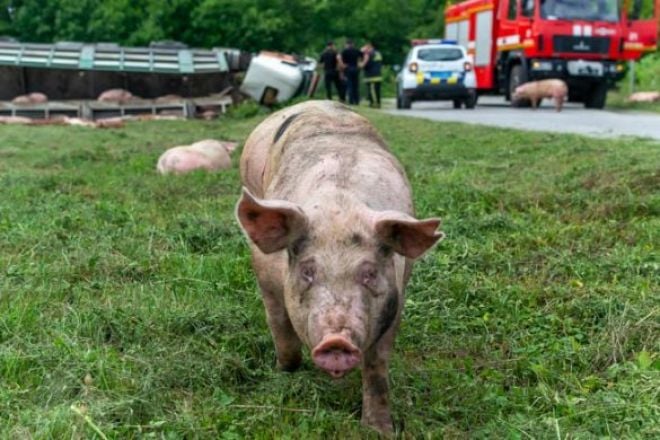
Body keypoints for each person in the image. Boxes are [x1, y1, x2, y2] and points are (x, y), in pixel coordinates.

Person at [340, 39, 363, 105]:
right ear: (353, 44)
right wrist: (360, 63)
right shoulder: (357, 51)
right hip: (355, 69)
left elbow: (340, 59)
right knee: (356, 85)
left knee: (350, 85)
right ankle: (357, 101)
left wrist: (343, 66)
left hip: (348, 69)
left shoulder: (344, 51)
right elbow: (363, 56)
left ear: (347, 44)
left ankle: (351, 101)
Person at [361, 41, 383, 108]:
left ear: (370, 47)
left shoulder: (370, 54)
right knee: (376, 91)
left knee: (373, 91)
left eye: (367, 47)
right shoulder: (377, 53)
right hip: (377, 75)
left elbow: (364, 63)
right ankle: (377, 103)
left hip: (371, 76)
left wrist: (362, 51)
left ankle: (374, 104)